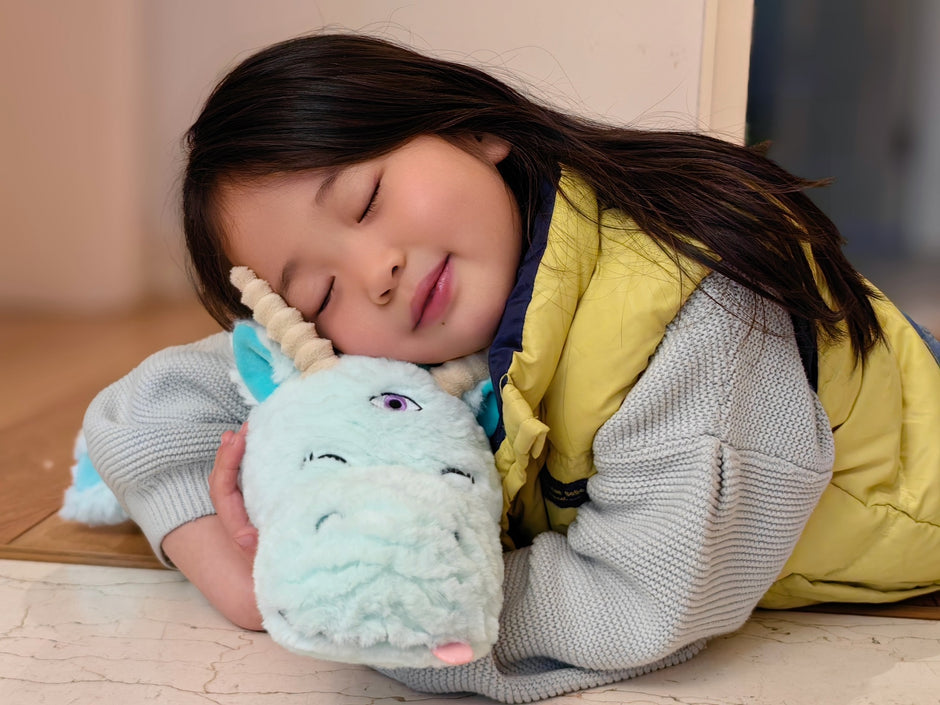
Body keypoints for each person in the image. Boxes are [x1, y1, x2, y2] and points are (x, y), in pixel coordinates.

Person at [82, 33, 940, 702]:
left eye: (367, 199)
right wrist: (241, 579)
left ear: (476, 129)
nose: (376, 271)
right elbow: (146, 409)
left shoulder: (690, 311)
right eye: (317, 290)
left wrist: (386, 598)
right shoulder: (386, 348)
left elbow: (646, 596)